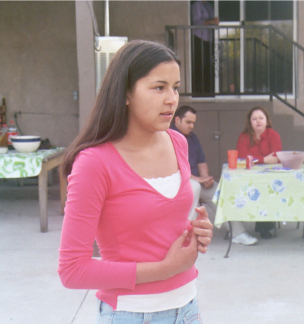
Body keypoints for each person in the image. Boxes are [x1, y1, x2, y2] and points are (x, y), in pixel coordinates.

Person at [58, 40, 213, 323]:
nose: (172, 99)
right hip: (132, 314)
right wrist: (164, 269)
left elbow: (161, 225)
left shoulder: (178, 142)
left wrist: (196, 232)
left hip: (188, 308)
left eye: (175, 87)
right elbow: (72, 270)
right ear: (126, 92)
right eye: (159, 87)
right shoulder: (95, 162)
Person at [171, 105, 258, 245]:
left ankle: (237, 233)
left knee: (219, 192)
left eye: (193, 122)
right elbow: (175, 169)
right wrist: (199, 179)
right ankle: (185, 237)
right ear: (177, 120)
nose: (192, 126)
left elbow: (201, 162)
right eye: (188, 122)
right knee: (194, 188)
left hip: (195, 180)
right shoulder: (168, 137)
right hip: (176, 182)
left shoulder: (192, 138)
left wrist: (206, 178)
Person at [236, 106, 282, 239]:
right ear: (249, 122)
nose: (258, 121)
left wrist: (256, 160)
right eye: (254, 119)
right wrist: (264, 159)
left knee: (267, 188)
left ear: (267, 121)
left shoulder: (273, 135)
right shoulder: (244, 136)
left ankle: (265, 227)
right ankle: (236, 227)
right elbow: (243, 157)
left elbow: (275, 158)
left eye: (261, 118)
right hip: (248, 175)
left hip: (269, 175)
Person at [191, 0, 219, 96]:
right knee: (200, 64)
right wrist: (211, 21)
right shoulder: (196, 5)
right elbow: (196, 21)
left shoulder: (209, 5)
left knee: (209, 64)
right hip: (199, 38)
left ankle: (208, 90)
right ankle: (199, 91)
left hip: (209, 38)